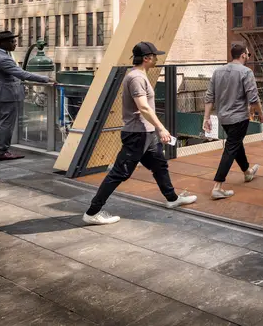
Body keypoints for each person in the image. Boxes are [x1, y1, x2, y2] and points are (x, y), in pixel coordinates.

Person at [83, 42, 196, 225]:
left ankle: (172, 198)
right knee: (120, 173)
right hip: (137, 134)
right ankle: (92, 212)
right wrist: (161, 128)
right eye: (154, 56)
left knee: (159, 165)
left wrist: (154, 130)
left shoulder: (139, 76)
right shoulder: (136, 78)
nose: (157, 59)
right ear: (146, 58)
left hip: (146, 134)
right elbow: (143, 107)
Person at [204, 43, 263, 200]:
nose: (248, 57)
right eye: (248, 55)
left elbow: (209, 96)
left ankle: (247, 172)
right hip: (239, 117)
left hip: (223, 117)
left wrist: (206, 117)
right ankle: (217, 186)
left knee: (235, 144)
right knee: (231, 147)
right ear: (243, 55)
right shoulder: (246, 72)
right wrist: (261, 114)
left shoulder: (218, 71)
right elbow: (253, 98)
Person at [0, 30, 53, 161]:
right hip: (6, 95)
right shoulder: (3, 59)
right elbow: (23, 74)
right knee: (6, 124)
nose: (15, 44)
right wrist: (46, 79)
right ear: (3, 43)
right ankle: (2, 152)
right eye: (12, 41)